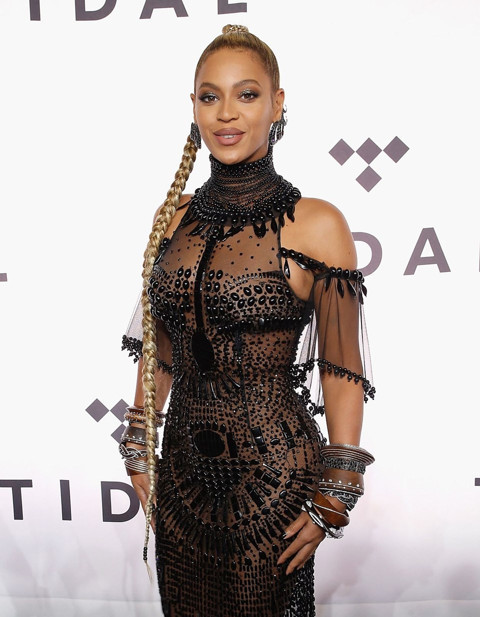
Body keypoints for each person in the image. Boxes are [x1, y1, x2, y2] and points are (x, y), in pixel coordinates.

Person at [120, 24, 375, 617]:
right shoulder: (173, 216)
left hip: (273, 482)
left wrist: (339, 485)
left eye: (247, 94)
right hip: (182, 479)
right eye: (210, 96)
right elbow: (160, 347)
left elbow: (341, 368)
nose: (226, 113)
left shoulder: (317, 223)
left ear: (277, 103)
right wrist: (138, 440)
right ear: (193, 106)